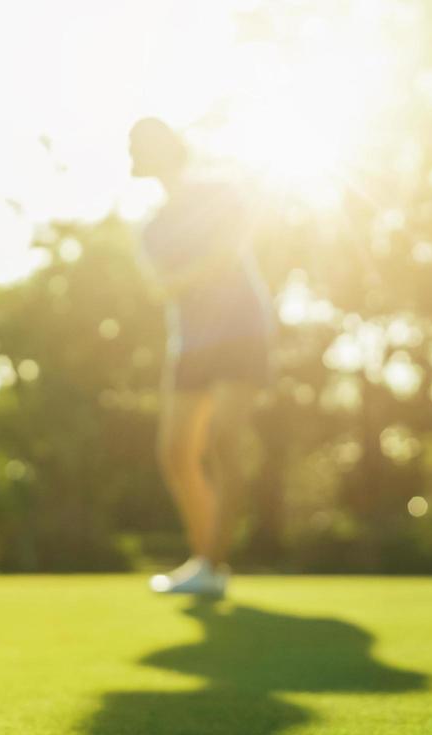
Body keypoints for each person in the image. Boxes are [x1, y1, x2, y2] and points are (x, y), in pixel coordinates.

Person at [129, 117, 276, 598]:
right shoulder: (151, 228)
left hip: (241, 331)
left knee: (224, 438)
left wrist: (192, 273)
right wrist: (202, 269)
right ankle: (203, 559)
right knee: (175, 452)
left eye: (144, 144)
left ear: (169, 148)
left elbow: (227, 255)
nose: (137, 152)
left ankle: (214, 563)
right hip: (192, 342)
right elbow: (160, 286)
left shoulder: (221, 192)